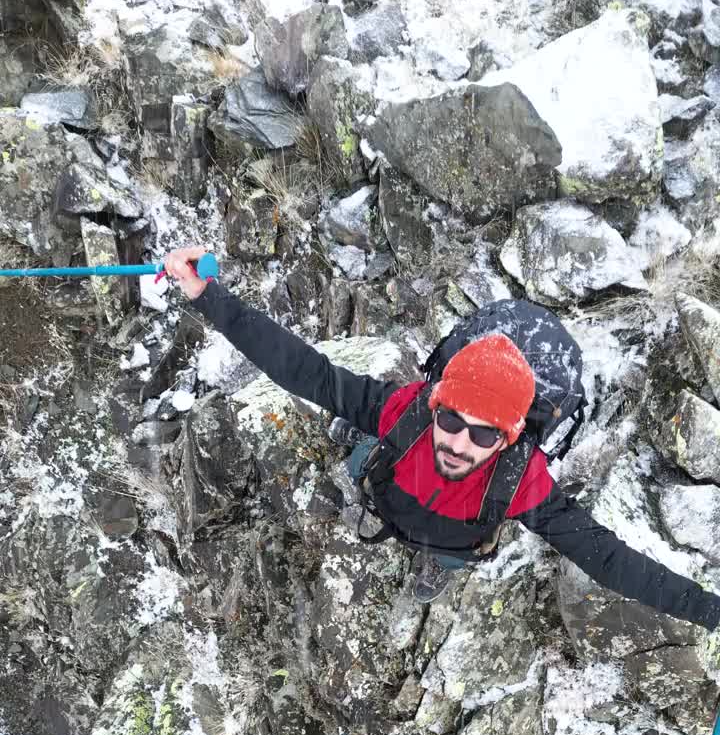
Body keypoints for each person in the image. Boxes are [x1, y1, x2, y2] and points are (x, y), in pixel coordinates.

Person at [161, 245, 720, 655]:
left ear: (509, 438)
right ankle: (379, 487)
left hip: (452, 534)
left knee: (444, 544)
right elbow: (301, 368)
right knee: (365, 456)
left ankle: (438, 563)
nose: (458, 441)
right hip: (395, 489)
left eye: (484, 434)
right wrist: (207, 297)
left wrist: (711, 612)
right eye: (451, 419)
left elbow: (611, 560)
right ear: (435, 404)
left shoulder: (522, 483)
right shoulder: (403, 412)